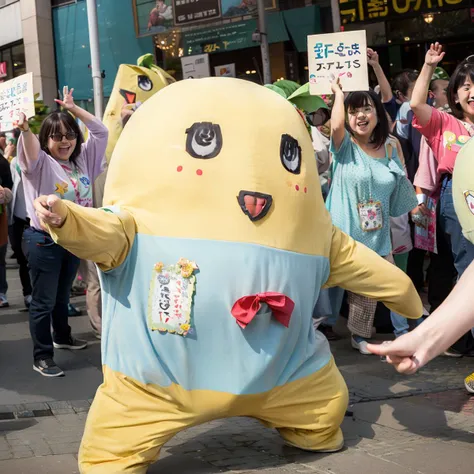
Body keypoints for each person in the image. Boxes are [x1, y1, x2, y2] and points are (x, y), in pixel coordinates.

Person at [16, 86, 108, 377]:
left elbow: (102, 132)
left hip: (73, 238)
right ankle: (42, 356)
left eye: (69, 134)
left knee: (61, 295)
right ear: (46, 140)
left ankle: (63, 336)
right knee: (43, 300)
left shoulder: (81, 161)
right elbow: (30, 152)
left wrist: (73, 109)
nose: (65, 141)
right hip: (43, 240)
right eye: (57, 136)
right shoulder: (40, 163)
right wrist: (25, 130)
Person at [327, 78, 419, 354]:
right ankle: (313, 330)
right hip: (341, 230)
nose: (360, 116)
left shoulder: (391, 146)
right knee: (325, 289)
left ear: (378, 113)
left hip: (376, 231)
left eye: (366, 109)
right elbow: (335, 126)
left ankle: (369, 334)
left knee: (377, 287)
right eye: (353, 111)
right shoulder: (344, 145)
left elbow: (401, 185)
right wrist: (338, 95)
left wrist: (416, 208)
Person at [411, 44, 474, 357]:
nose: (472, 92)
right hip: (458, 199)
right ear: (455, 93)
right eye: (466, 86)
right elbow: (416, 103)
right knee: (468, 272)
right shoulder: (446, 124)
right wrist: (427, 66)